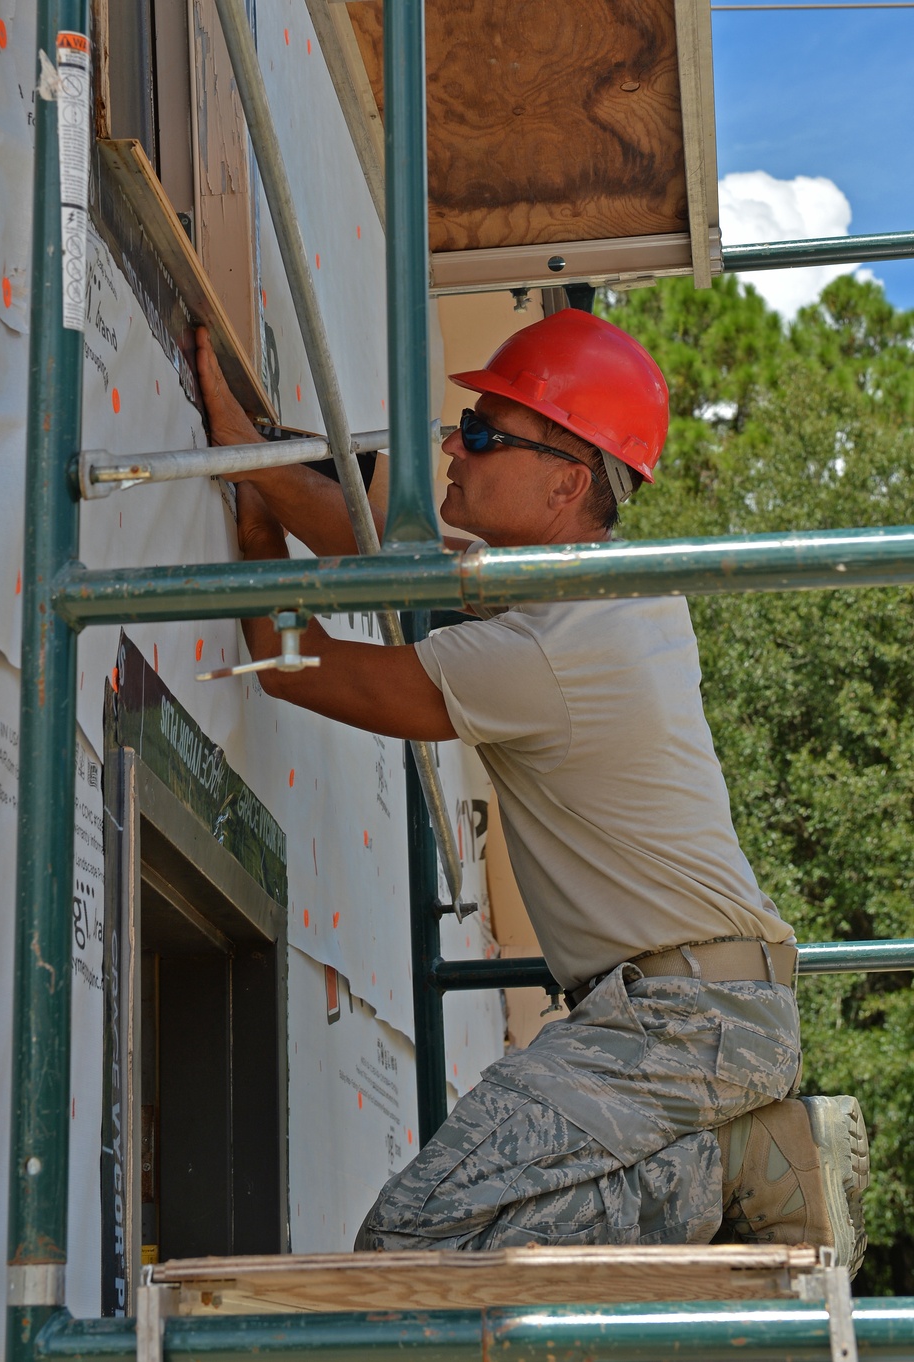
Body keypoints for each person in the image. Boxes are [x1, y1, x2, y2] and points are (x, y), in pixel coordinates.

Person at [195, 309, 869, 1271]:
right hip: (699, 1006)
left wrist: (251, 504)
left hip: (682, 1021)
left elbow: (297, 667)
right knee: (449, 1241)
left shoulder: (547, 649)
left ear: (567, 481)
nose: (451, 452)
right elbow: (386, 540)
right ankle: (725, 1162)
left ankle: (734, 1166)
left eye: (481, 433)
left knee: (416, 1240)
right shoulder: (602, 594)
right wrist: (259, 465)